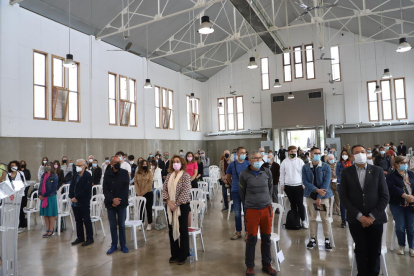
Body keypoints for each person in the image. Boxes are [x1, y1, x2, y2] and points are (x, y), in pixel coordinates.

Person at [340, 145, 389, 276]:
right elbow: (344, 197)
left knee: (374, 250)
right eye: (357, 153)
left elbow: (385, 196)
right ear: (352, 156)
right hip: (356, 220)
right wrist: (359, 216)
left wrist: (372, 217)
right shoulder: (346, 172)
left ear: (366, 154)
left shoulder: (377, 170)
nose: (360, 154)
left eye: (362, 152)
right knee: (360, 250)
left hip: (376, 220)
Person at [239, 151, 276, 276]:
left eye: (260, 158)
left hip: (266, 209)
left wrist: (266, 200)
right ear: (250, 160)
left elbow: (270, 188)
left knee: (266, 238)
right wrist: (249, 204)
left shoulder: (267, 172)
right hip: (252, 210)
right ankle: (250, 266)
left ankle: (267, 264)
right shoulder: (244, 174)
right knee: (252, 239)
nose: (258, 160)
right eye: (255, 158)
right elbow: (242, 192)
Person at [302, 148, 333, 251]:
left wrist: (319, 196)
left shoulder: (326, 167)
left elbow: (326, 182)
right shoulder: (305, 167)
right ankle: (312, 238)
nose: (318, 155)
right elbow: (305, 181)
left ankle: (327, 239)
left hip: (323, 197)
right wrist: (316, 190)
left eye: (319, 153)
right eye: (315, 153)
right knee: (312, 218)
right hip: (310, 196)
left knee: (325, 218)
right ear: (311, 155)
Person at [163, 154, 191, 265]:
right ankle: (174, 254)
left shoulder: (185, 176)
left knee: (183, 231)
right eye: (174, 161)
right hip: (170, 207)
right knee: (171, 230)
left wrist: (176, 203)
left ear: (182, 163)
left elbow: (185, 191)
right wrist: (169, 203)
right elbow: (164, 190)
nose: (175, 163)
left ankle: (183, 255)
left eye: (177, 161)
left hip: (182, 206)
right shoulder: (169, 176)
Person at [386, 156, 414, 256]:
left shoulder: (411, 174)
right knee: (400, 227)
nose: (405, 165)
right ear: (397, 164)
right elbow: (392, 188)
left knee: (411, 227)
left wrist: (412, 197)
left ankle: (412, 247)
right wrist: (405, 195)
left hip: (411, 204)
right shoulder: (391, 176)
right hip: (397, 204)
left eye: (406, 162)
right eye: (402, 163)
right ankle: (401, 245)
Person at [103, 156, 130, 254]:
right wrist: (112, 200)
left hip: (121, 203)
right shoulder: (107, 174)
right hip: (110, 203)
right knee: (112, 225)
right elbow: (105, 189)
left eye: (119, 162)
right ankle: (114, 244)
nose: (117, 164)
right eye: (115, 162)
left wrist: (118, 200)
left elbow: (125, 189)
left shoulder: (124, 173)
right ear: (111, 164)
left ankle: (123, 244)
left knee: (122, 225)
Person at [280, 146, 307, 228]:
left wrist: (303, 184)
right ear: (288, 152)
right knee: (293, 204)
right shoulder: (284, 162)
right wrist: (282, 184)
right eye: (291, 151)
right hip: (288, 186)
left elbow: (303, 173)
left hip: (299, 185)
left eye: (294, 151)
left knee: (300, 204)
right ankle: (295, 221)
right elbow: (282, 174)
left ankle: (303, 220)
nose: (293, 153)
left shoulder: (300, 161)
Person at [226, 147, 251, 240]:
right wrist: (233, 184)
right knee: (237, 213)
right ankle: (238, 231)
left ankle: (248, 232)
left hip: (246, 192)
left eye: (245, 152)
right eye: (242, 152)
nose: (244, 154)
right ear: (237, 154)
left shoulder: (248, 163)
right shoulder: (232, 164)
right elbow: (228, 176)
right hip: (235, 191)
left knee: (247, 212)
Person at [69, 159, 94, 247]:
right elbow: (71, 186)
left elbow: (86, 189)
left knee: (86, 220)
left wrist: (77, 197)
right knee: (78, 220)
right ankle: (80, 237)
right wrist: (71, 196)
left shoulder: (87, 175)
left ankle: (89, 238)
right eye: (77, 165)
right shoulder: (75, 175)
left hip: (83, 201)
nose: (78, 167)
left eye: (80, 165)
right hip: (74, 202)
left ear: (85, 166)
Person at [38, 162, 58, 238]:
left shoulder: (54, 176)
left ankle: (51, 229)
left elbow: (53, 188)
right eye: (46, 165)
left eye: (49, 165)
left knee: (51, 214)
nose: (47, 167)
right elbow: (40, 185)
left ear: (52, 167)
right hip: (43, 197)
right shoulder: (43, 175)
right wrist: (39, 194)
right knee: (45, 214)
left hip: (50, 196)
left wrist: (44, 195)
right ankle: (47, 229)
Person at [8, 161, 28, 234]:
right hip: (11, 196)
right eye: (12, 165)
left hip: (19, 195)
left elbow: (25, 183)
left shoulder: (21, 173)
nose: (13, 166)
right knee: (12, 210)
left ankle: (21, 225)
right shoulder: (8, 174)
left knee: (20, 210)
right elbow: (7, 184)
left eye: (14, 165)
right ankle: (12, 225)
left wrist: (19, 187)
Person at [134, 159, 154, 231]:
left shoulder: (149, 172)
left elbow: (150, 183)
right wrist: (139, 192)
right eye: (143, 164)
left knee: (148, 208)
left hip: (148, 193)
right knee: (141, 208)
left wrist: (143, 192)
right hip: (139, 194)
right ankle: (141, 223)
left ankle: (149, 223)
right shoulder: (137, 173)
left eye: (145, 164)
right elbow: (135, 183)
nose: (144, 165)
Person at [336, 149, 353, 228]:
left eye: (345, 154)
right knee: (342, 203)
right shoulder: (339, 163)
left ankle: (351, 218)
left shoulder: (351, 163)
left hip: (351, 185)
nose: (344, 155)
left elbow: (353, 173)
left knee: (352, 202)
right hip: (341, 184)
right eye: (343, 154)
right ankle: (343, 220)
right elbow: (337, 174)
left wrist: (343, 172)